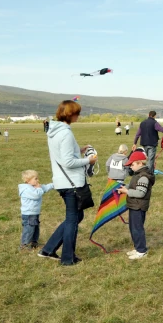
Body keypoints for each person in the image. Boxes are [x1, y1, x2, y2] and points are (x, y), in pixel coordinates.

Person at [38, 99, 98, 266]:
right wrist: (88, 161)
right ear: (70, 114)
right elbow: (68, 162)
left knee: (77, 215)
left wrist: (79, 150)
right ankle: (67, 258)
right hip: (71, 183)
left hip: (62, 181)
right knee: (73, 219)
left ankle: (48, 249)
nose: (79, 116)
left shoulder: (54, 131)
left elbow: (63, 154)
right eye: (77, 113)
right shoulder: (65, 133)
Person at [117, 150, 155, 260]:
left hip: (138, 206)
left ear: (140, 163)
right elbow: (133, 185)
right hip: (134, 205)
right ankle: (138, 247)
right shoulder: (137, 174)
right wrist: (125, 187)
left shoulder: (143, 176)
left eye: (132, 165)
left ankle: (142, 251)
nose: (131, 167)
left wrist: (126, 192)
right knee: (133, 228)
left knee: (137, 228)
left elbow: (140, 193)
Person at [18, 170, 55, 250]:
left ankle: (34, 243)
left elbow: (44, 188)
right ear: (28, 180)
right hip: (28, 214)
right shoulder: (26, 189)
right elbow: (37, 195)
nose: (37, 180)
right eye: (35, 179)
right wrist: (38, 188)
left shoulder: (35, 187)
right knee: (29, 229)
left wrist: (54, 184)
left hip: (34, 213)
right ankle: (24, 245)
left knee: (35, 228)